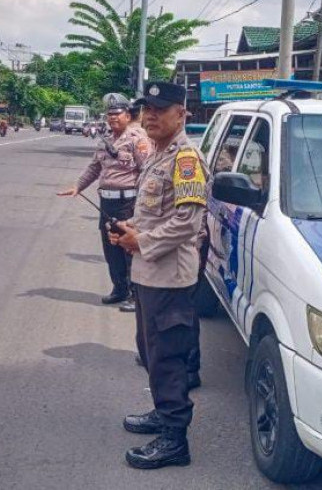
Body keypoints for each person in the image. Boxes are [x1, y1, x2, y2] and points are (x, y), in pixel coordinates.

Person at [108, 82, 209, 470]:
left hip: (171, 278)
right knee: (150, 351)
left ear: (181, 114)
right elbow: (154, 212)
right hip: (149, 272)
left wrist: (141, 240)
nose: (149, 115)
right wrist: (127, 226)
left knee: (168, 357)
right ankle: (160, 412)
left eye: (159, 108)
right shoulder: (158, 154)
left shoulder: (185, 159)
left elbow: (188, 222)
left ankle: (174, 439)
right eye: (146, 108)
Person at [58, 93, 152, 308]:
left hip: (129, 202)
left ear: (128, 116)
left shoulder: (138, 140)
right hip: (107, 203)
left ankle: (135, 295)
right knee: (111, 249)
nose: (112, 118)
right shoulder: (106, 142)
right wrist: (77, 187)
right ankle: (119, 289)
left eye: (117, 114)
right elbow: (94, 167)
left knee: (130, 249)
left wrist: (144, 204)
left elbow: (147, 171)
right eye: (109, 115)